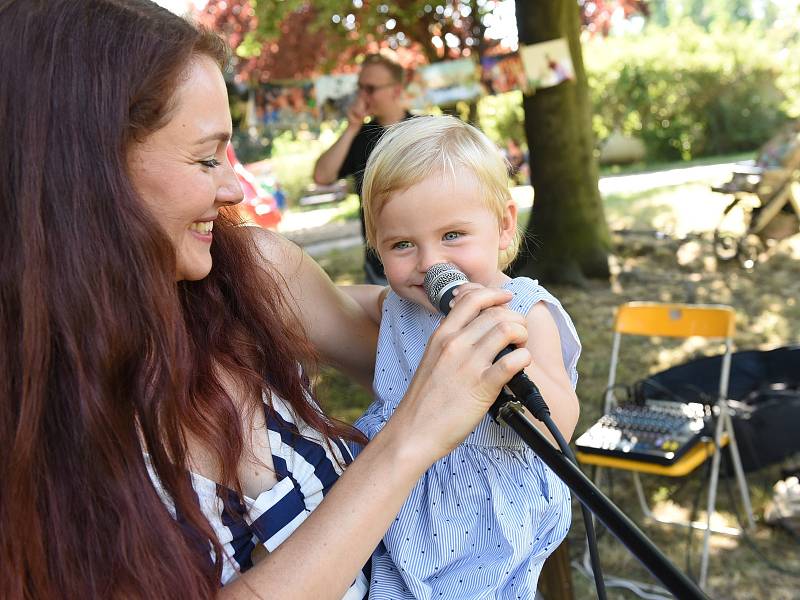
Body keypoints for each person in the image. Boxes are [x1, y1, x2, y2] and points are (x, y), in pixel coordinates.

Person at [1, 2, 537, 599]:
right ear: (84, 172)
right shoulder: (33, 424)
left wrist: (522, 314)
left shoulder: (246, 275)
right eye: (206, 159)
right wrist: (406, 442)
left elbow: (402, 328)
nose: (233, 187)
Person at [350, 116, 581, 599]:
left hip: (485, 508)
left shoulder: (523, 310)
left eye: (453, 235)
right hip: (401, 496)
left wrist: (506, 347)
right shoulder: (401, 306)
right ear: (377, 246)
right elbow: (356, 301)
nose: (431, 263)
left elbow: (561, 419)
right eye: (403, 244)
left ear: (502, 226)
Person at [313, 54, 412, 285]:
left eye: (370, 88)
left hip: (429, 258)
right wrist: (352, 127)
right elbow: (322, 176)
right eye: (360, 88)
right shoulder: (359, 137)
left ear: (396, 91)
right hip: (380, 267)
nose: (362, 96)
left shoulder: (424, 131)